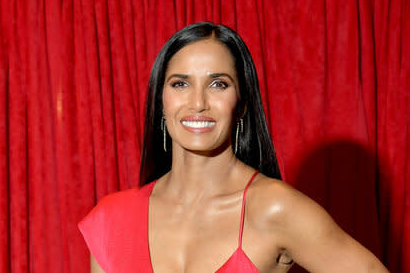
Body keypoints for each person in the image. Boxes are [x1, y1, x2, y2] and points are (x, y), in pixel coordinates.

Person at [79, 22, 389, 273]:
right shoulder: (112, 218)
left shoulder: (275, 209)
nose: (198, 103)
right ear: (160, 101)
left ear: (241, 103)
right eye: (180, 84)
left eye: (219, 84)